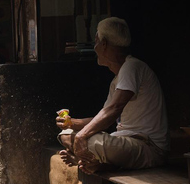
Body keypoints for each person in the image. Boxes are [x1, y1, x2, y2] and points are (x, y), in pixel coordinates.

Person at [57, 17, 168, 173]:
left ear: (103, 44)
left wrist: (82, 135)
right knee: (66, 134)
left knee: (87, 140)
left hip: (149, 148)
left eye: (96, 42)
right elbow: (104, 118)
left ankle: (89, 160)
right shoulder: (118, 78)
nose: (95, 48)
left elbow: (114, 109)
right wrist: (71, 123)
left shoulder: (131, 66)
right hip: (126, 143)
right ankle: (95, 163)